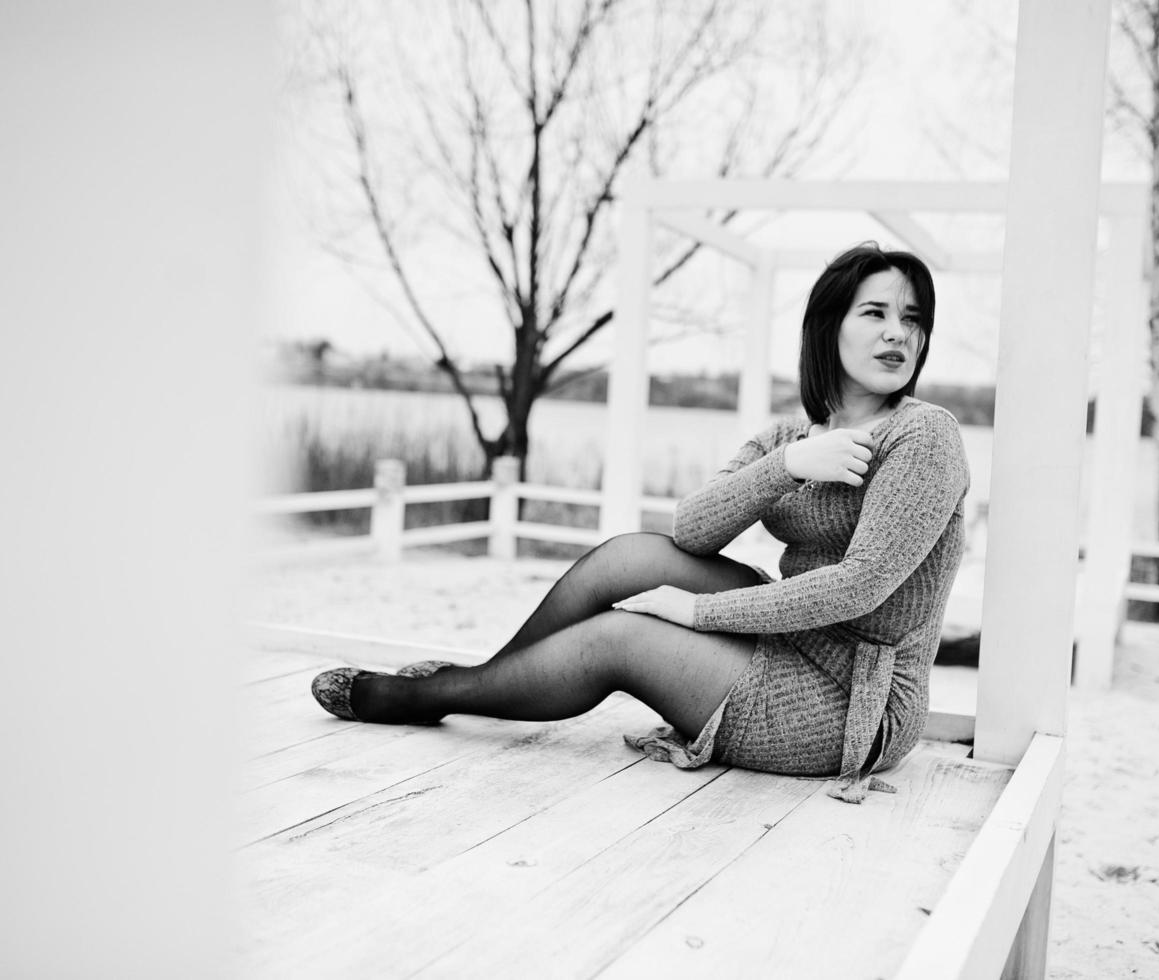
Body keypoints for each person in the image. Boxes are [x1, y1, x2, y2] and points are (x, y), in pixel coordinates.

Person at [311, 242, 969, 803]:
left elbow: (857, 588)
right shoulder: (792, 437)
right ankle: (477, 680)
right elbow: (692, 530)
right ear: (829, 327)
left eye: (912, 319)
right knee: (631, 558)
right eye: (875, 313)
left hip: (849, 700)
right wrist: (790, 463)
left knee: (618, 638)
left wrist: (696, 614)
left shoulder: (922, 437)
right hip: (791, 642)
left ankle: (432, 694)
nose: (897, 334)